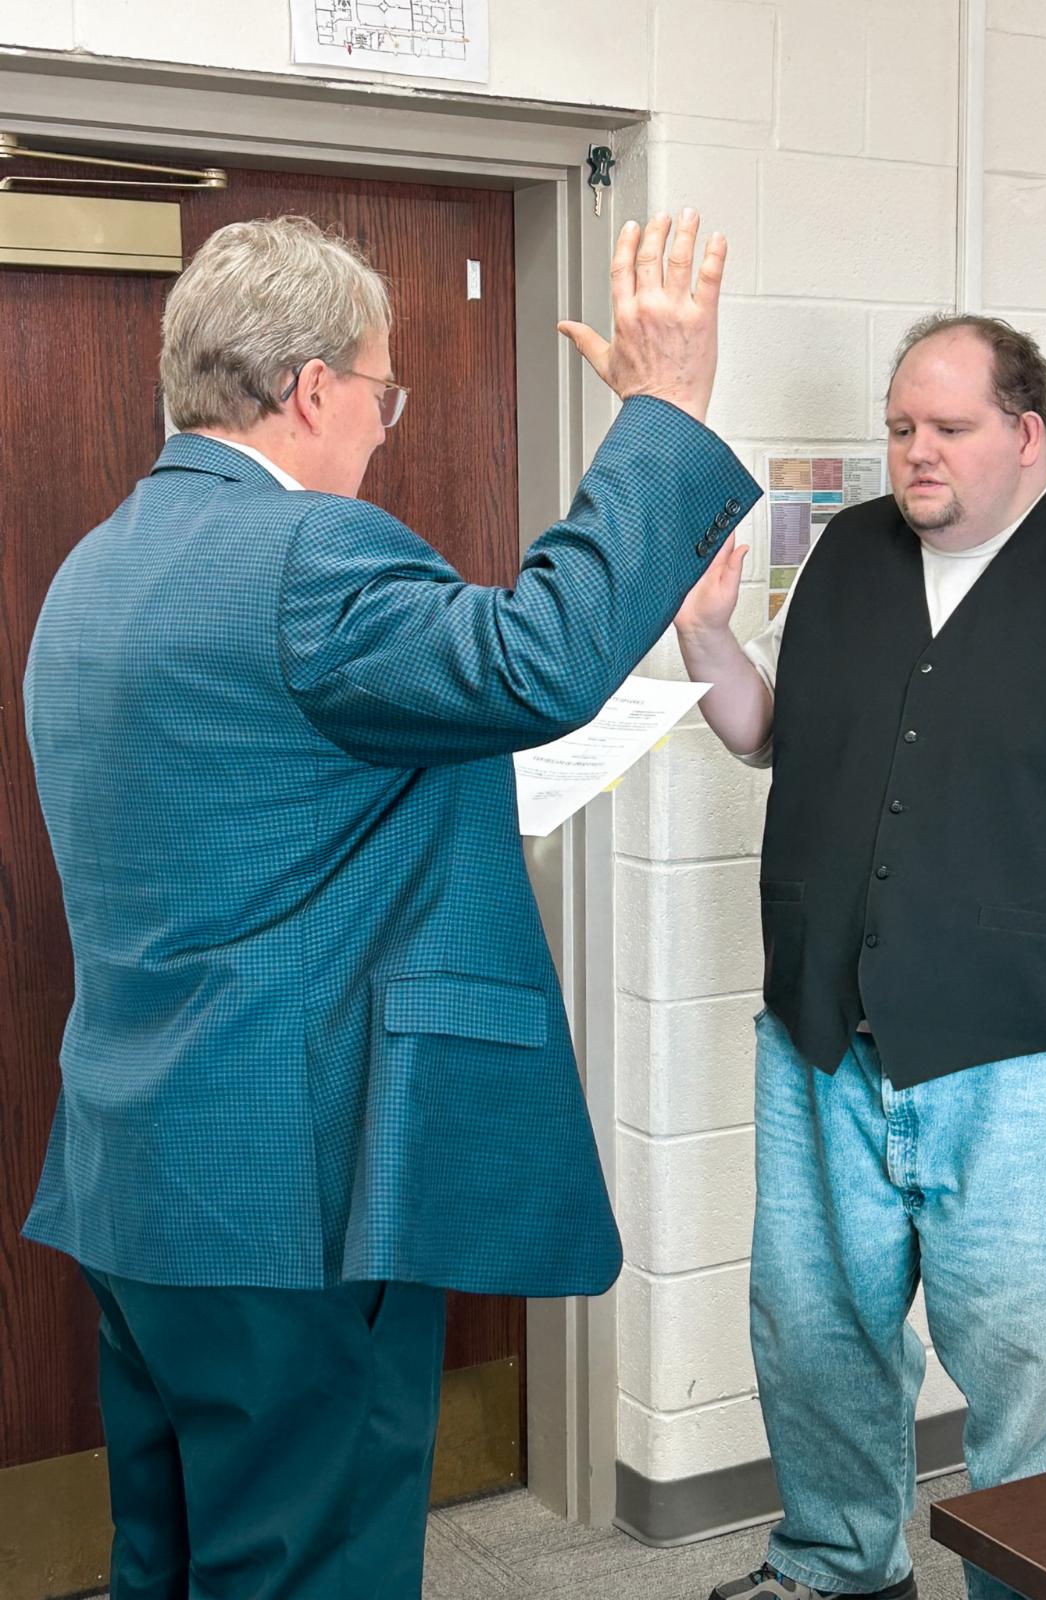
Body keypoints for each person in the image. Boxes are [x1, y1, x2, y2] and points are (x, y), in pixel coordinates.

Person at [21, 208, 759, 1600]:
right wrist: (661, 411)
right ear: (311, 389)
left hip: (138, 1176)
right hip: (291, 1198)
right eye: (380, 392)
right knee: (312, 1568)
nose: (381, 426)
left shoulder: (94, 569)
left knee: (169, 1556)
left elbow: (264, 802)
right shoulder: (305, 556)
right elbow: (540, 660)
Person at [675, 315, 1046, 1600]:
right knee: (815, 1339)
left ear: (1028, 435)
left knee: (1033, 1380)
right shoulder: (845, 554)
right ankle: (836, 1566)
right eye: (902, 426)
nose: (917, 450)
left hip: (1032, 1059)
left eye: (950, 428)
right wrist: (706, 637)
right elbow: (769, 734)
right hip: (822, 1045)